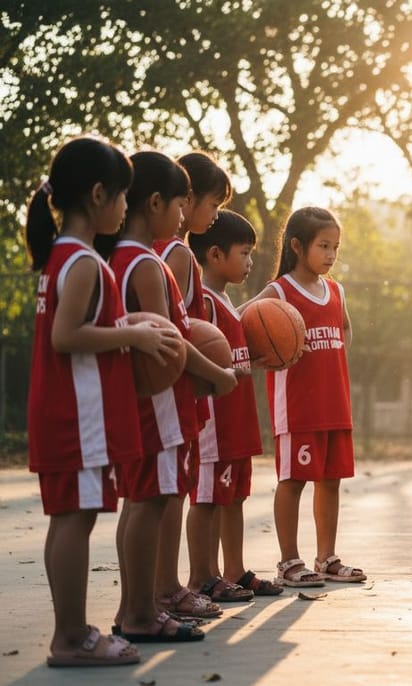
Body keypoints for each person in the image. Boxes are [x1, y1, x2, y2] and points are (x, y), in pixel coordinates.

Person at [25, 136, 181, 666]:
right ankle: (72, 638)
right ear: (97, 196)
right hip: (78, 414)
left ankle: (71, 633)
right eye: (121, 197)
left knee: (69, 518)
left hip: (64, 411)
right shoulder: (86, 261)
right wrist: (132, 337)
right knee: (75, 519)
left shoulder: (63, 257)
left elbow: (75, 330)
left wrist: (121, 325)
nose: (124, 208)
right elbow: (66, 338)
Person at [107, 151, 236, 642]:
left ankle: (132, 608)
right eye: (181, 204)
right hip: (160, 402)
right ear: (155, 202)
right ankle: (143, 611)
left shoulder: (124, 259)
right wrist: (218, 375)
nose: (184, 216)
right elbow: (171, 342)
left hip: (144, 400)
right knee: (151, 501)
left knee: (141, 503)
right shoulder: (145, 264)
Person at [244, 207, 364, 587]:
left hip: (334, 404)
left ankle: (326, 557)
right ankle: (288, 561)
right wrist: (266, 351)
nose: (331, 255)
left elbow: (343, 329)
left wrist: (331, 350)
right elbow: (238, 320)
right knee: (293, 480)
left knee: (331, 481)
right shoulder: (278, 292)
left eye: (335, 247)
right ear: (297, 246)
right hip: (297, 408)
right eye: (323, 246)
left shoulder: (336, 290)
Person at [167, 152, 251, 603]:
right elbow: (177, 333)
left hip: (203, 399)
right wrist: (217, 372)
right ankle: (189, 581)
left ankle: (192, 580)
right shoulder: (176, 255)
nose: (214, 214)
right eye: (212, 204)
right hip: (189, 399)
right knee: (178, 498)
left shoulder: (172, 254)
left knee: (186, 496)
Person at [188, 210, 284, 597]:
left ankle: (234, 569)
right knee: (208, 498)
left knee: (235, 496)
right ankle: (204, 576)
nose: (249, 262)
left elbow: (232, 359)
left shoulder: (227, 300)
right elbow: (203, 356)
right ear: (214, 254)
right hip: (215, 421)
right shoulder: (204, 301)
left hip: (238, 419)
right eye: (244, 254)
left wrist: (255, 361)